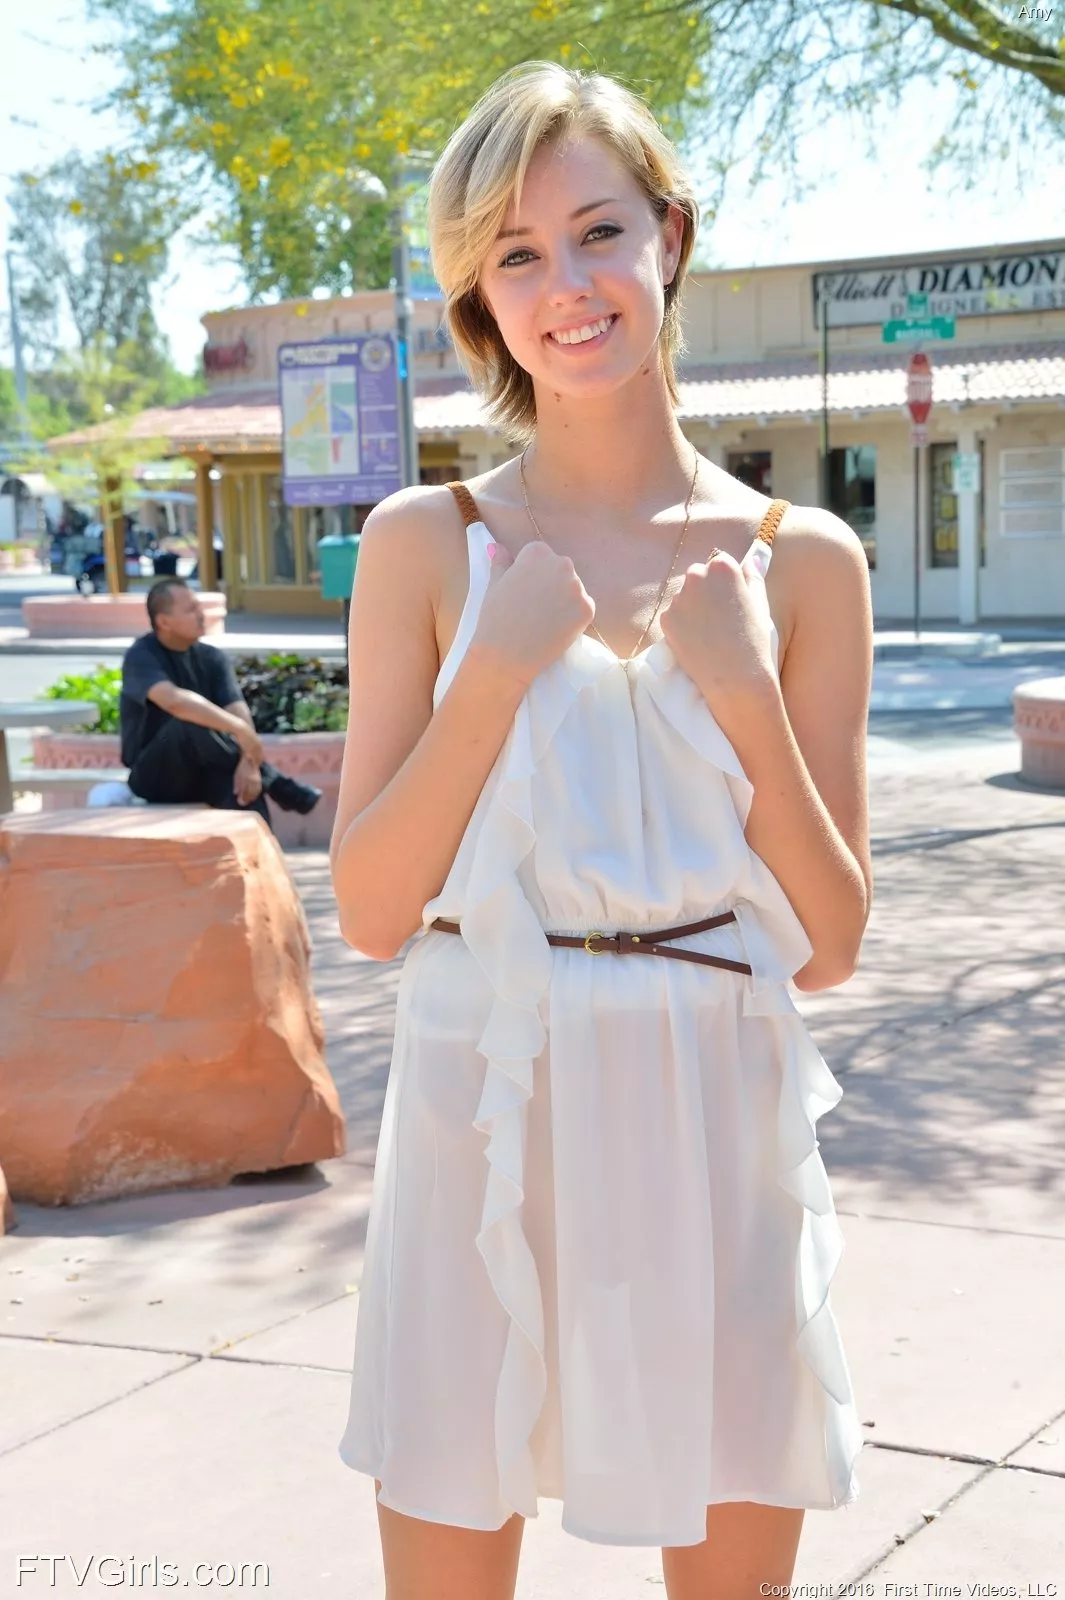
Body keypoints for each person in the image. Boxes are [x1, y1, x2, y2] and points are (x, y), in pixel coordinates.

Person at [330, 62, 873, 1598]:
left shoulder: (803, 561)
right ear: (479, 302)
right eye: (515, 255)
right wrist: (493, 670)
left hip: (715, 1098)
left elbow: (830, 944)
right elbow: (370, 911)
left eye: (596, 232)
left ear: (669, 238)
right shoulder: (424, 544)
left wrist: (743, 692)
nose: (566, 285)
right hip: (482, 1094)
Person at [120, 577, 321, 824]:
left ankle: (265, 845)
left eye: (199, 607)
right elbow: (174, 702)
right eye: (191, 610)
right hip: (155, 776)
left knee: (244, 789)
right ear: (164, 622)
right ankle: (277, 783)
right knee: (188, 724)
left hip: (203, 769)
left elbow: (237, 708)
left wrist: (249, 762)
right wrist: (241, 732)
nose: (201, 615)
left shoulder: (212, 658)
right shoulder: (141, 656)